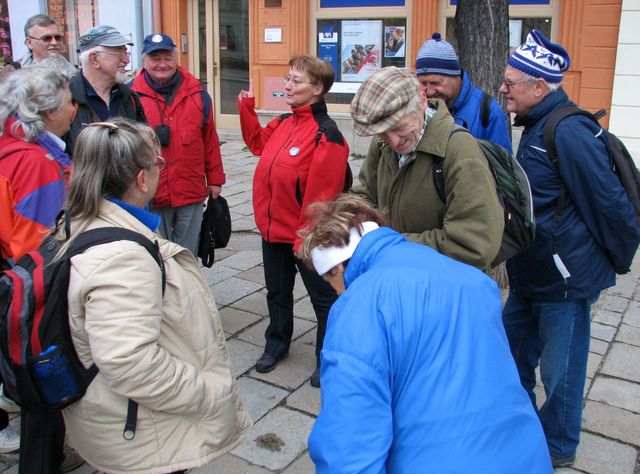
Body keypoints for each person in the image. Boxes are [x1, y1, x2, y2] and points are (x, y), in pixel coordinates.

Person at [299, 195, 554, 474]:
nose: (337, 291)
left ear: (336, 266)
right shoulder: (472, 278)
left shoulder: (357, 309)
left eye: (330, 282)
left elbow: (348, 451)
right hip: (527, 460)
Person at [60, 118, 252, 474]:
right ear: (141, 179)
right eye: (158, 162)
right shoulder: (123, 258)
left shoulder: (84, 220)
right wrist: (207, 393)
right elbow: (130, 362)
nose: (161, 168)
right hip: (141, 435)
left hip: (126, 420)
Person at [499, 30, 640, 468]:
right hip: (531, 272)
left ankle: (559, 444)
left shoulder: (569, 131)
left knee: (560, 370)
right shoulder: (537, 124)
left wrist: (608, 263)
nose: (502, 88)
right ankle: (519, 426)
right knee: (510, 351)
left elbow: (609, 205)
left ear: (539, 87)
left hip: (563, 280)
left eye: (510, 82)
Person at [237, 55, 349, 387]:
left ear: (318, 89)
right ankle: (277, 344)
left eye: (296, 81)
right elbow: (257, 144)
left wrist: (305, 240)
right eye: (287, 78)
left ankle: (327, 358)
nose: (287, 85)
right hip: (273, 232)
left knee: (324, 300)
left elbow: (320, 199)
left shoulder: (327, 135)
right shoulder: (285, 122)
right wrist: (246, 109)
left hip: (307, 237)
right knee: (277, 293)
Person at [0, 67, 83, 474]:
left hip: (11, 284)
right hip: (30, 296)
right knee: (44, 391)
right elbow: (39, 251)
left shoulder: (11, 147)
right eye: (68, 101)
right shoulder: (37, 162)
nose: (74, 108)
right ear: (47, 111)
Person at [350, 66, 503, 271]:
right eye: (383, 133)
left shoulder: (461, 153)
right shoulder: (382, 144)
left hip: (445, 282)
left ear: (422, 101)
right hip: (399, 273)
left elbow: (474, 244)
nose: (393, 141)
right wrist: (346, 222)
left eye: (399, 127)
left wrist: (391, 246)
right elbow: (366, 196)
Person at [131, 33, 225, 255]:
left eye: (167, 58)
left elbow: (209, 139)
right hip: (150, 190)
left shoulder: (198, 93)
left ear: (176, 58)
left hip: (189, 186)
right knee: (156, 251)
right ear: (144, 60)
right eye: (155, 59)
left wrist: (215, 180)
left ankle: (185, 278)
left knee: (187, 253)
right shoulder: (131, 95)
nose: (162, 64)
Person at [415, 32, 512, 152]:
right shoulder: (418, 109)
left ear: (455, 76)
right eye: (424, 83)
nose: (429, 92)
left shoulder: (488, 111)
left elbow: (501, 161)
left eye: (436, 83)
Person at [66, 25, 146, 152]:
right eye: (119, 53)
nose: (126, 60)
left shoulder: (129, 97)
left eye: (126, 52)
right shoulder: (67, 98)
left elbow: (142, 147)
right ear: (94, 59)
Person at [0, 14, 76, 79]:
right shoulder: (12, 73)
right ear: (29, 43)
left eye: (57, 37)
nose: (54, 42)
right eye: (46, 38)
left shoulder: (72, 72)